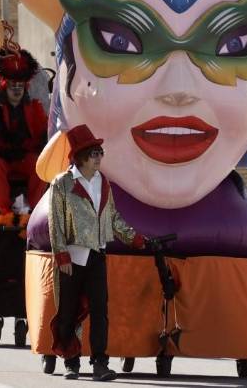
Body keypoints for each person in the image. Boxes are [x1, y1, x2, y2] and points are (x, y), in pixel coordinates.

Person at [49, 124, 145, 381]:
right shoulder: (62, 184)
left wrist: (134, 238)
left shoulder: (104, 183)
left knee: (100, 310)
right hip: (72, 257)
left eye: (100, 152)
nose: (100, 156)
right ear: (81, 157)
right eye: (94, 153)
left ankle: (100, 363)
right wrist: (61, 255)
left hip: (97, 255)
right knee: (68, 311)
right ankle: (71, 361)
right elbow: (55, 223)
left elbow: (112, 216)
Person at [0, 49, 48, 215]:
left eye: (20, 85)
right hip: (1, 158)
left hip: (25, 157)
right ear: (5, 86)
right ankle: (5, 211)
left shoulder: (35, 107)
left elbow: (45, 129)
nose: (17, 89)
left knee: (40, 164)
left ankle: (35, 212)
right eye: (13, 85)